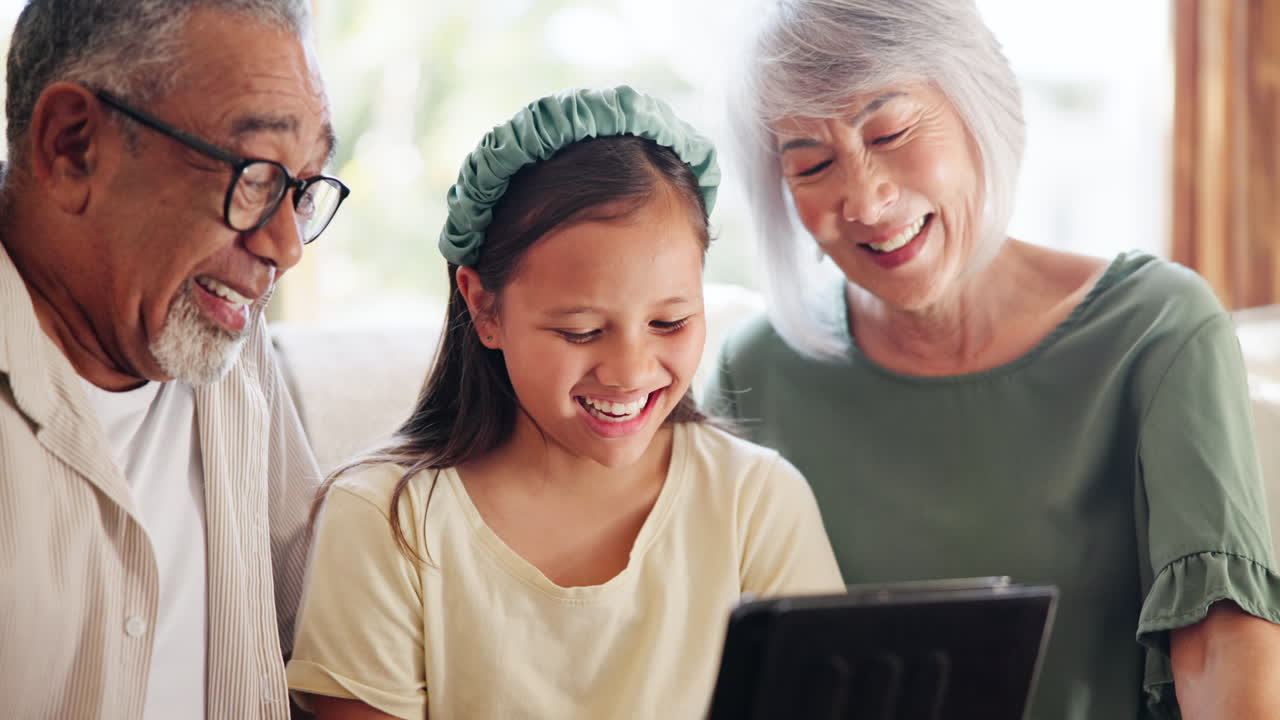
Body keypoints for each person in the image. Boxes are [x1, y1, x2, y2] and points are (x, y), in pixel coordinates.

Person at [706, 1, 1280, 718]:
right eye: (812, 165)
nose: (864, 199)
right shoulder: (755, 369)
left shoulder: (1155, 328)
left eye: (891, 131)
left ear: (979, 106)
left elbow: (1221, 646)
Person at [284, 85, 844, 719]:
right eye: (580, 331)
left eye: (670, 322)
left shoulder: (758, 503)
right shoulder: (386, 520)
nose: (630, 370)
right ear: (483, 306)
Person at [0, 1, 348, 717]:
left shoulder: (221, 332)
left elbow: (318, 628)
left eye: (303, 191)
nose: (286, 246)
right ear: (72, 147)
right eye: (256, 177)